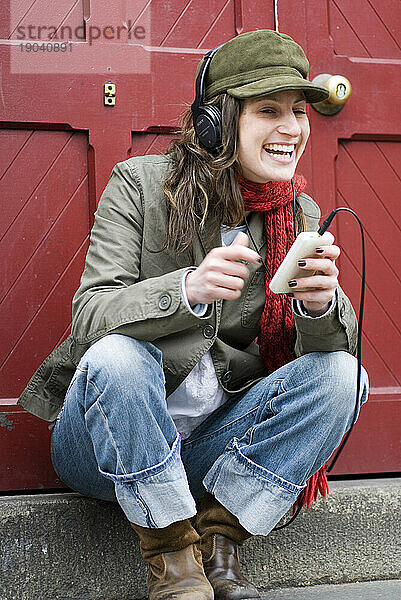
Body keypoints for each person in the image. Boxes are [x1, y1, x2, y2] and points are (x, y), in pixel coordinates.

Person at [18, 30, 369, 600]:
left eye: (300, 113)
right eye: (269, 111)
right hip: (105, 444)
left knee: (341, 376)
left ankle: (221, 537)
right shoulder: (139, 185)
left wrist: (318, 307)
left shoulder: (298, 212)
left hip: (208, 446)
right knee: (116, 354)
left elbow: (324, 352)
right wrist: (186, 289)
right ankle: (174, 560)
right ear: (216, 121)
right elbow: (90, 312)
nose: (293, 129)